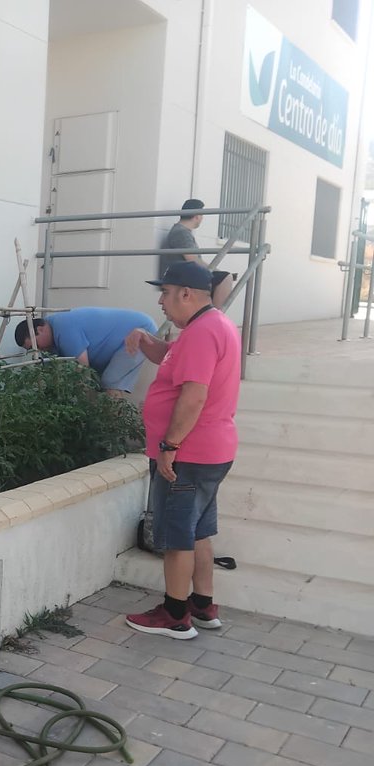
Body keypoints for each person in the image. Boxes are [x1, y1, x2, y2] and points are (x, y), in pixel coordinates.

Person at [123, 261, 241, 640]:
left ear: (186, 294)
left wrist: (170, 446)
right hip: (210, 451)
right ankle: (202, 605)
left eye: (166, 292)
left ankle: (175, 615)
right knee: (198, 532)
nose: (160, 301)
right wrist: (145, 339)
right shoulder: (208, 326)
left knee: (176, 536)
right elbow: (171, 358)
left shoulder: (203, 332)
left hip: (189, 454)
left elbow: (194, 394)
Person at [14, 307, 157, 397]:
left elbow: (83, 372)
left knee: (110, 382)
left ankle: (109, 435)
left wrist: (86, 412)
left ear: (40, 330)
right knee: (103, 383)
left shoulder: (64, 328)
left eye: (36, 345)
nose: (38, 350)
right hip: (131, 333)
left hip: (138, 332)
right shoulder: (52, 335)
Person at [159, 199, 233, 310]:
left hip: (184, 274)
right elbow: (192, 259)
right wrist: (215, 270)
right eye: (202, 215)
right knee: (226, 277)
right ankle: (214, 318)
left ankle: (212, 316)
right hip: (183, 276)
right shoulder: (181, 232)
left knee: (223, 277)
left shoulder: (182, 231)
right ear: (197, 216)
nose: (202, 219)